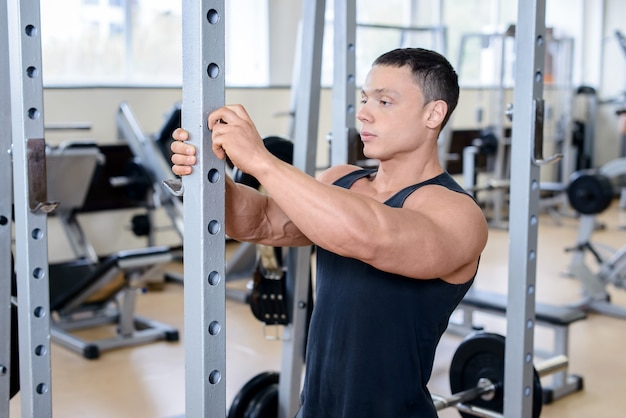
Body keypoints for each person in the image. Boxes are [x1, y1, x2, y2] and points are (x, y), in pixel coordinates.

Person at [171, 47, 488, 418]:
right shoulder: (341, 180)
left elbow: (370, 237)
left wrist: (261, 160)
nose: (365, 113)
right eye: (365, 99)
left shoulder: (457, 213)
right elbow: (259, 221)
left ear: (433, 114)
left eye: (385, 102)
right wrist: (207, 180)